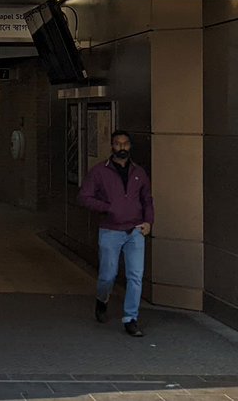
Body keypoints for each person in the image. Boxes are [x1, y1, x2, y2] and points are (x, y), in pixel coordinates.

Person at [78, 129, 155, 338]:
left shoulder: (139, 172)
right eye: (118, 144)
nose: (122, 147)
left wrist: (149, 222)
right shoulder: (99, 172)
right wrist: (107, 207)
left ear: (130, 146)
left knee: (135, 276)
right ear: (111, 146)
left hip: (135, 231)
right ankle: (102, 300)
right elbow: (84, 197)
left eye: (125, 144)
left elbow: (147, 199)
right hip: (111, 230)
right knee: (108, 275)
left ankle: (131, 318)